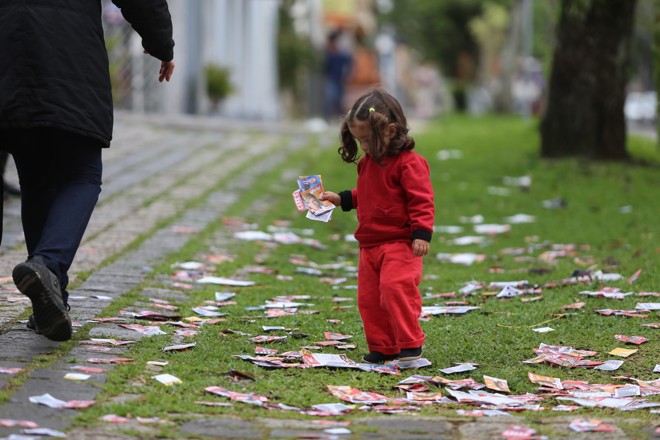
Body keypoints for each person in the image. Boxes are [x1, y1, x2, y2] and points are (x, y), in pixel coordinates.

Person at [0, 0, 175, 342]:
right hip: (68, 57)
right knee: (82, 175)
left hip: (9, 54)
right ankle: (47, 266)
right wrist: (161, 43)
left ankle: (53, 301)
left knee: (35, 178)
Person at [320, 89, 435, 364]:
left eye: (368, 140)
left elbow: (421, 199)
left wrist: (421, 233)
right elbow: (370, 194)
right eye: (359, 141)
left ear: (391, 130)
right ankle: (384, 347)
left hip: (400, 242)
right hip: (369, 244)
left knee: (395, 289)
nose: (364, 147)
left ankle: (410, 345)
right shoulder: (367, 163)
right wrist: (342, 199)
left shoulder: (410, 164)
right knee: (369, 299)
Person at [323, 29, 353, 119]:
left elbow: (349, 61)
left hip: (340, 78)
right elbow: (325, 66)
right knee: (331, 98)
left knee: (339, 99)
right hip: (332, 78)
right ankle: (328, 116)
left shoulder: (341, 52)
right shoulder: (329, 52)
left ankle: (340, 117)